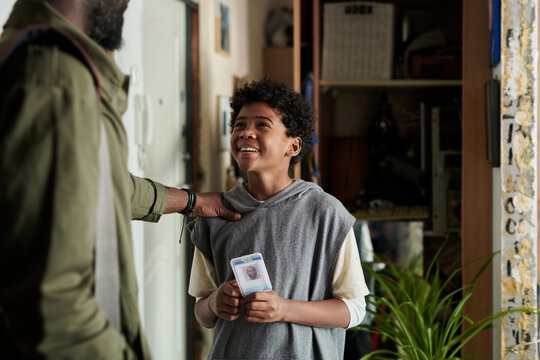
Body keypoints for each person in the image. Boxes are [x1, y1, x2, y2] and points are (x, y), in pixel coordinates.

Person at [0, 0, 240, 358]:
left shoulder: (42, 60)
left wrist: (191, 201)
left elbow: (104, 186)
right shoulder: (57, 81)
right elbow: (55, 310)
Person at [188, 78, 370, 359]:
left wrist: (284, 309)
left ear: (293, 147)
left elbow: (355, 310)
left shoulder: (326, 214)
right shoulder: (214, 215)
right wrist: (214, 303)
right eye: (239, 124)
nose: (246, 132)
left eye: (262, 125)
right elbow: (202, 311)